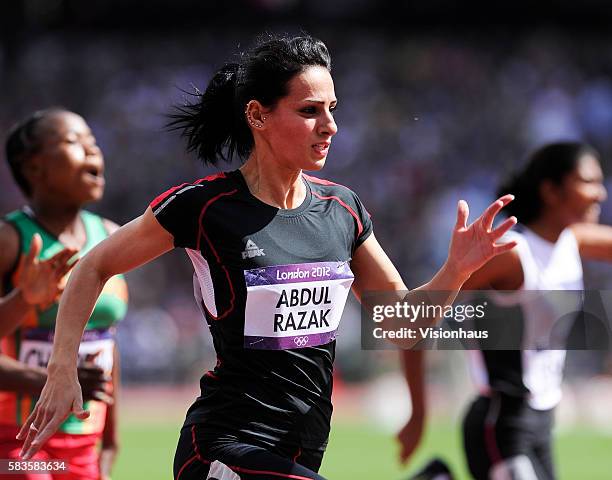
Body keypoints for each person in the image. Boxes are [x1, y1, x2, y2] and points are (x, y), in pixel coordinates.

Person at [18, 36, 516, 480]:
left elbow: (398, 326)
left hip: (302, 450)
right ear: (258, 115)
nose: (330, 126)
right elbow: (93, 265)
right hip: (224, 448)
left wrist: (456, 270)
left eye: (333, 109)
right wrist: (61, 368)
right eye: (310, 111)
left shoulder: (343, 209)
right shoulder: (204, 206)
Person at [399, 142, 611, 480]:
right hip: (500, 421)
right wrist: (418, 412)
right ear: (551, 190)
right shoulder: (512, 254)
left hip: (542, 421)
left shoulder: (573, 240)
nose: (600, 193)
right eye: (588, 182)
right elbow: (413, 319)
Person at [0, 108, 128, 480]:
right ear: (34, 167)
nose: (93, 152)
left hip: (84, 439)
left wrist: (110, 440)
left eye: (93, 142)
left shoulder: (111, 237)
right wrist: (23, 299)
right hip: (15, 440)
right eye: (75, 142)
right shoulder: (10, 240)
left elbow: (107, 346)